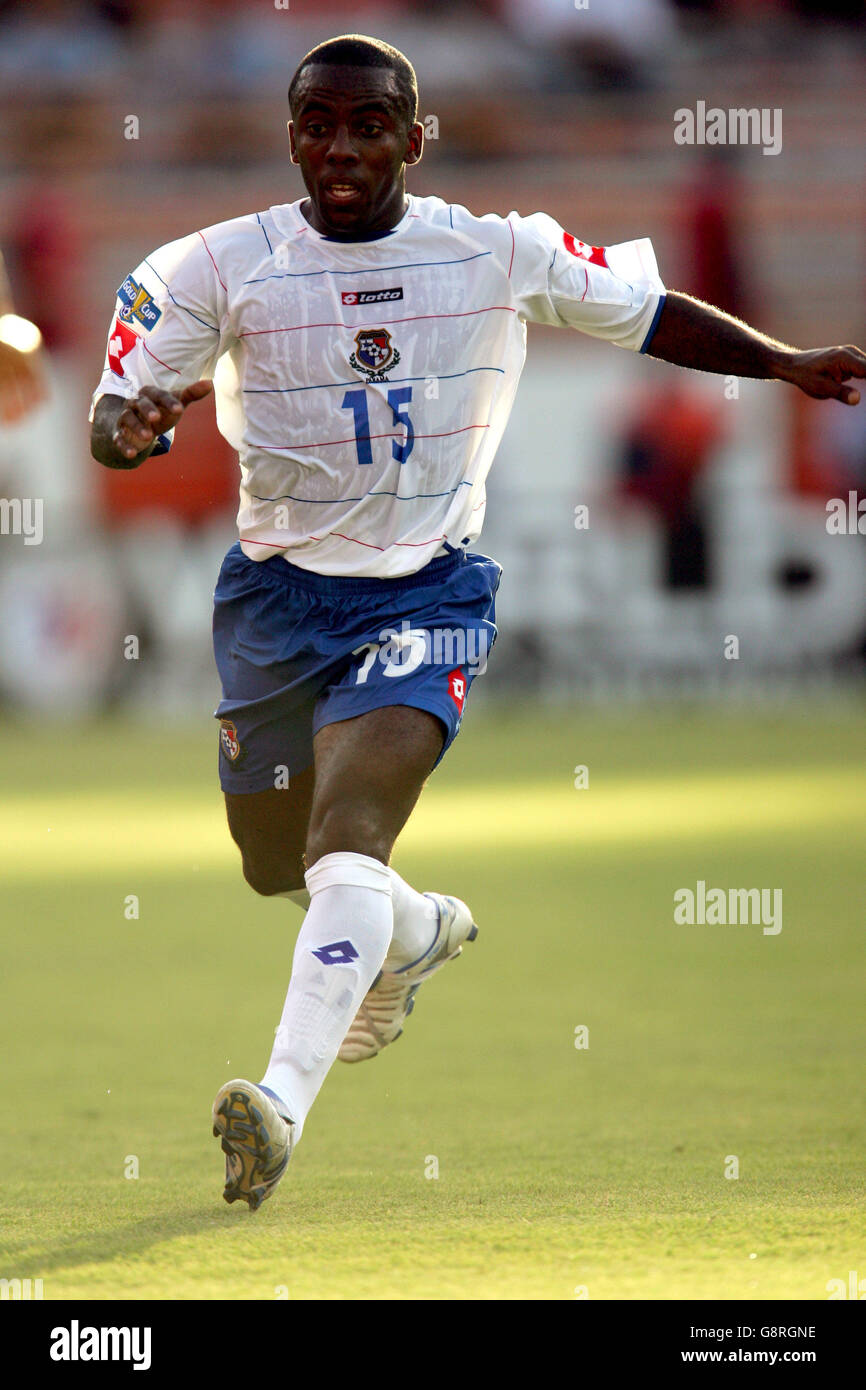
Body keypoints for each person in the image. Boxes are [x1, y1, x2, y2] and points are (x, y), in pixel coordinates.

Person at [89, 33, 865, 1212]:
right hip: (275, 595)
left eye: (366, 125)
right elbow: (115, 410)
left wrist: (785, 364)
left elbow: (649, 313)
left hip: (426, 590)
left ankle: (279, 1106)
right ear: (289, 132)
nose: (339, 148)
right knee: (272, 864)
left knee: (347, 839)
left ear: (415, 133)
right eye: (316, 123)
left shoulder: (495, 251)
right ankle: (414, 933)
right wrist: (130, 430)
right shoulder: (214, 265)